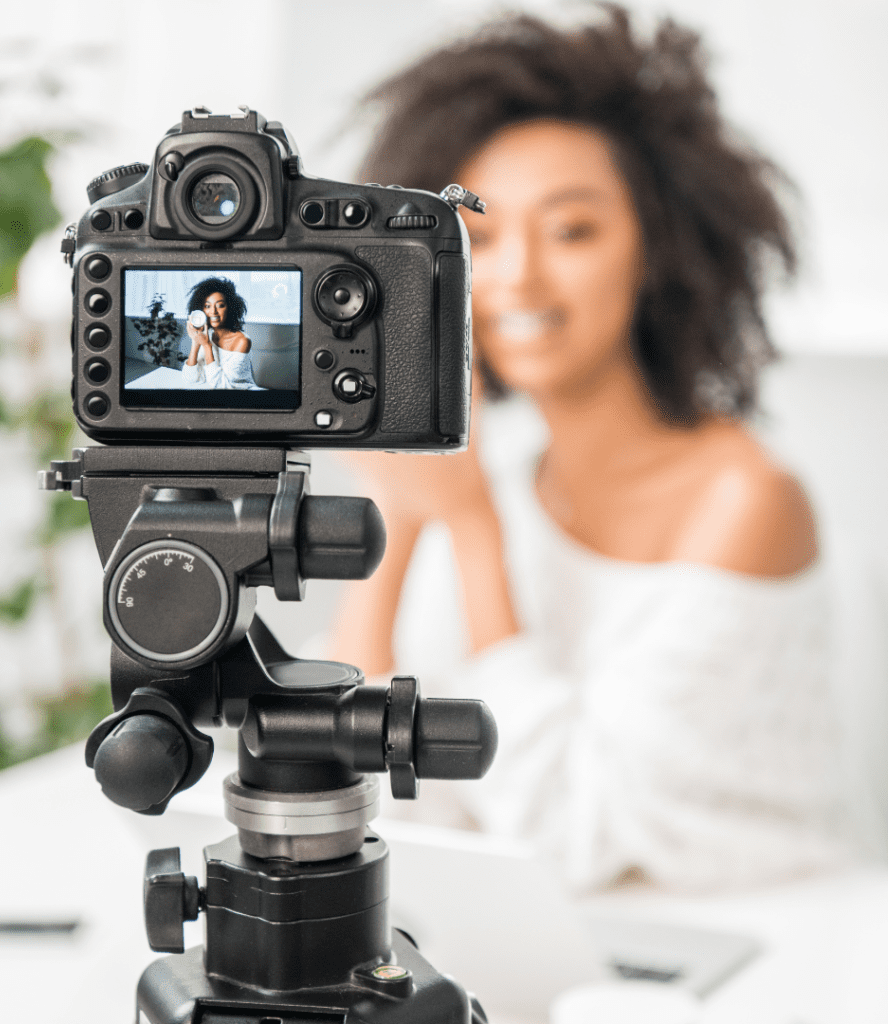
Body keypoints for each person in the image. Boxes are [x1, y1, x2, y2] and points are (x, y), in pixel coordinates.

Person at [329, 8, 852, 890]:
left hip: (766, 945)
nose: (517, 279)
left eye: (571, 231)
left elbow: (573, 831)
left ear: (659, 250)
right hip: (562, 951)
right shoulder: (498, 480)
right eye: (481, 241)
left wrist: (474, 530)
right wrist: (402, 515)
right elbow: (368, 778)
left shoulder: (746, 499)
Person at [182, 277, 260, 389]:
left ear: (230, 308)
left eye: (220, 305)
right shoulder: (206, 335)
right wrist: (195, 342)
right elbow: (189, 379)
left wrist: (206, 346)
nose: (213, 311)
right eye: (207, 306)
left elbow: (222, 386)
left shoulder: (242, 341)